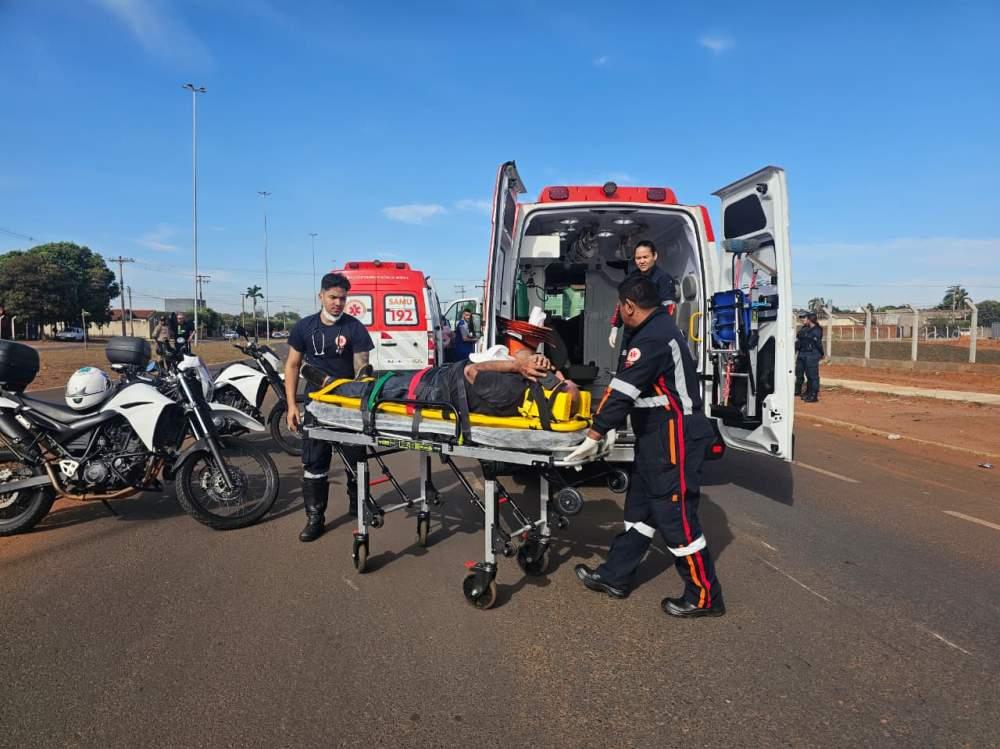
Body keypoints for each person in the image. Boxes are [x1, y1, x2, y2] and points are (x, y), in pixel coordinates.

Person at [571, 275, 725, 618]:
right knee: (639, 512)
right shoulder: (657, 330)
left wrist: (596, 431)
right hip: (656, 437)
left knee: (676, 520)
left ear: (628, 306)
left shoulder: (653, 337)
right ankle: (616, 576)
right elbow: (642, 394)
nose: (618, 312)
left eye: (619, 307)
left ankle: (704, 595)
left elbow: (623, 389)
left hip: (674, 438)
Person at [285, 272, 375, 543]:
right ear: (321, 296)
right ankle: (315, 519)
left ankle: (358, 507)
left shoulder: (355, 328)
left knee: (356, 460)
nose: (338, 303)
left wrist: (361, 394)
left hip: (347, 405)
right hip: (316, 404)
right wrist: (292, 405)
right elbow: (292, 365)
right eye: (333, 297)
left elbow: (362, 368)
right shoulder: (304, 327)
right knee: (314, 463)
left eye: (343, 298)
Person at [327, 346, 579, 418]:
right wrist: (529, 358)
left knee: (377, 390)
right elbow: (521, 353)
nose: (559, 374)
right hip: (438, 380)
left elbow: (472, 372)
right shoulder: (527, 385)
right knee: (380, 384)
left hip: (431, 389)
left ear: (549, 388)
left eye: (561, 380)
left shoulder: (512, 392)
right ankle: (347, 384)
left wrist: (516, 365)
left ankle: (330, 386)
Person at [608, 240, 678, 348]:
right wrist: (615, 327)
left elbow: (669, 308)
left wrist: (660, 333)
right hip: (630, 333)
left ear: (654, 256)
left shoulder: (663, 279)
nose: (642, 261)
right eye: (638, 258)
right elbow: (622, 303)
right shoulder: (631, 277)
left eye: (645, 257)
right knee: (625, 362)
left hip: (652, 334)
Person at [795, 311, 823, 402]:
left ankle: (814, 395)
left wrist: (821, 354)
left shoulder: (817, 330)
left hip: (812, 354)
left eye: (804, 318)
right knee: (806, 374)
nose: (802, 319)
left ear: (809, 319)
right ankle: (808, 392)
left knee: (813, 376)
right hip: (803, 353)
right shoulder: (805, 328)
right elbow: (799, 337)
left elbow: (818, 343)